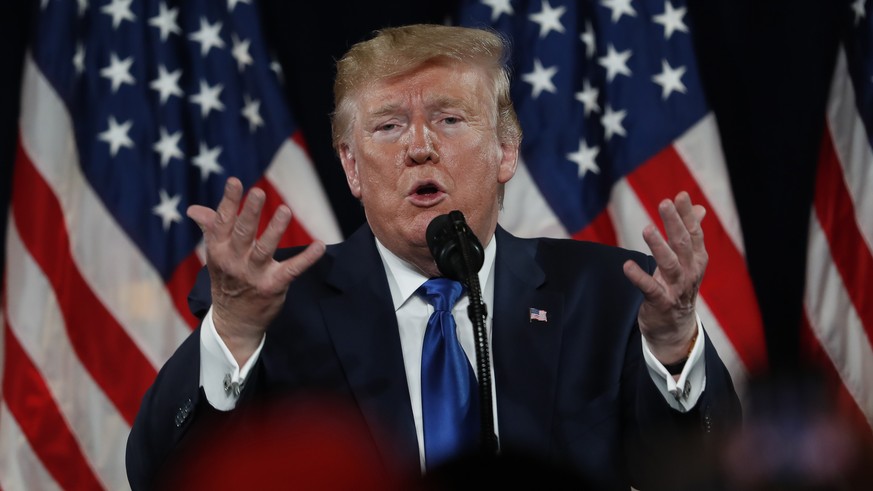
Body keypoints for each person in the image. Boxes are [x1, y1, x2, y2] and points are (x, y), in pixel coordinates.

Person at [126, 24, 741, 490]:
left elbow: (707, 476)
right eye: (389, 127)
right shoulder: (277, 305)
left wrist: (674, 346)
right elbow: (161, 474)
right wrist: (232, 329)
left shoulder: (607, 296)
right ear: (351, 167)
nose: (420, 146)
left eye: (449, 119)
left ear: (505, 151)